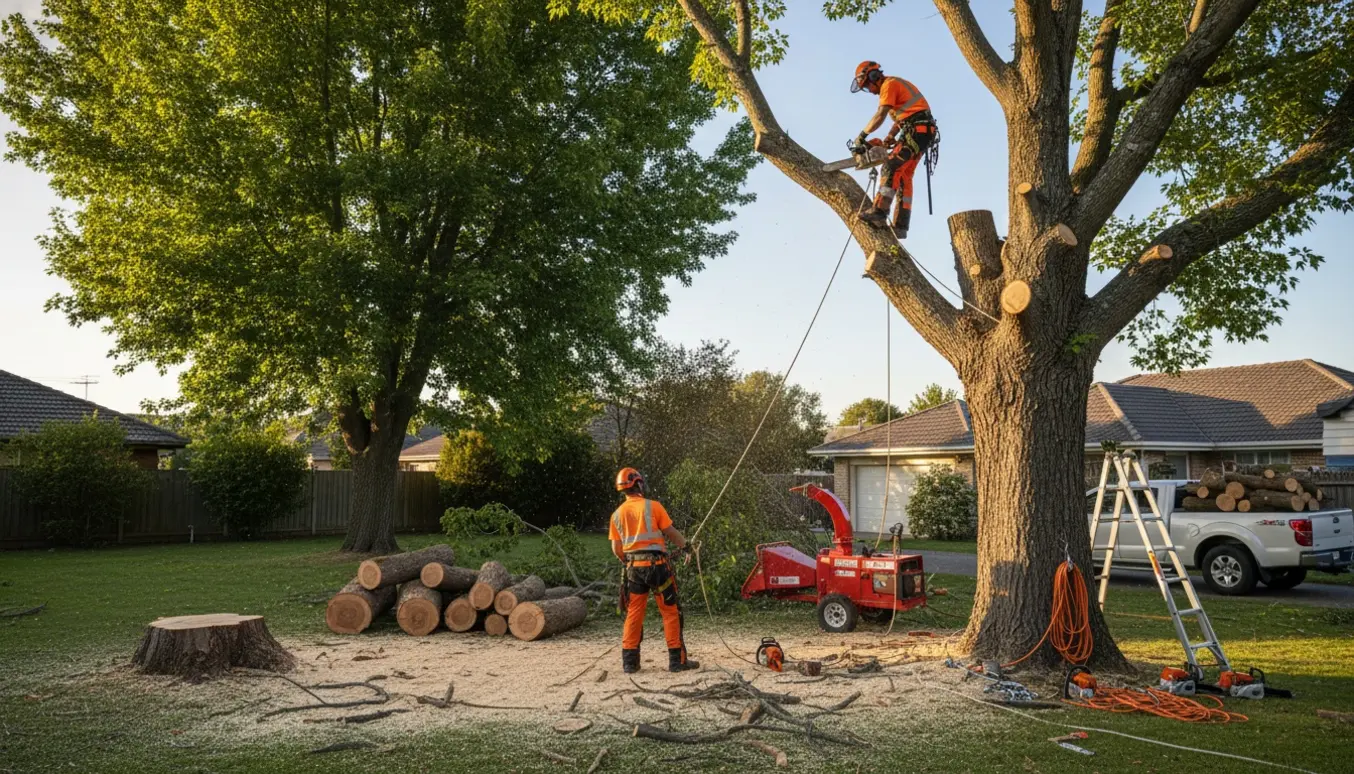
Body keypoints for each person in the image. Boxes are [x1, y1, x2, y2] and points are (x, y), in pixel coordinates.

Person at [609, 467, 699, 674]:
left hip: (633, 569)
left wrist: (629, 561)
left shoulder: (616, 515)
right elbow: (670, 533)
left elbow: (616, 549)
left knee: (634, 613)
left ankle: (630, 663)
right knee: (670, 611)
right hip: (658, 567)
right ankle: (677, 661)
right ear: (638, 484)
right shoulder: (653, 507)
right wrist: (686, 546)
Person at [849, 60, 938, 238]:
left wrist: (861, 136)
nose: (869, 90)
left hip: (918, 130)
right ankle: (901, 225)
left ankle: (880, 210)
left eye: (867, 85)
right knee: (903, 175)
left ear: (873, 76)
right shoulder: (893, 87)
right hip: (919, 130)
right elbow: (901, 119)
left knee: (890, 166)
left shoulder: (889, 85)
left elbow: (880, 114)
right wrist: (890, 136)